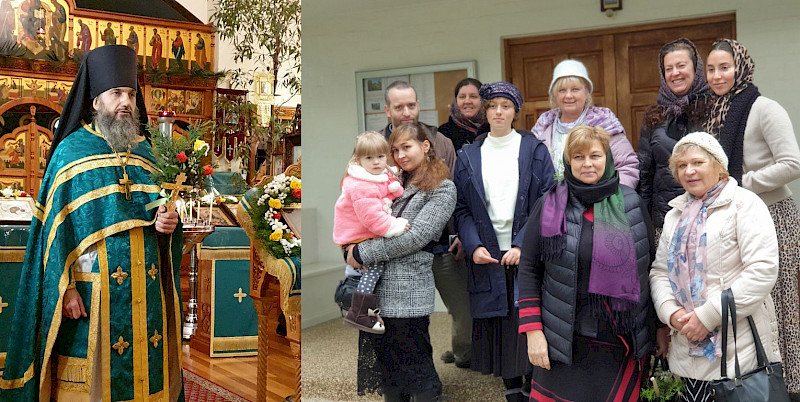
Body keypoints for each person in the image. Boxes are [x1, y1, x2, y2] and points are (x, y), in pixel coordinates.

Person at [0, 45, 184, 401]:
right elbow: (54, 233)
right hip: (94, 290)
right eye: (116, 93)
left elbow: (162, 211)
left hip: (145, 287)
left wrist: (167, 223)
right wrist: (65, 288)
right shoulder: (71, 151)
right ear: (96, 99)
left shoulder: (146, 152)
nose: (125, 102)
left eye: (130, 93)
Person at [517, 125, 655, 401]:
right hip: (564, 341)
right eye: (578, 157)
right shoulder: (550, 204)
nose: (587, 164)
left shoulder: (631, 203)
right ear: (568, 162)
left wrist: (658, 331)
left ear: (608, 158)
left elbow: (649, 268)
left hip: (618, 340)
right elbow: (529, 269)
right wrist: (533, 332)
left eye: (595, 155)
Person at [649, 132, 781, 400]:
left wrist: (707, 317)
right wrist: (671, 313)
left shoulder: (745, 205)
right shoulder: (675, 215)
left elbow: (762, 270)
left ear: (718, 166)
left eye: (698, 162)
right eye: (682, 166)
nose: (690, 171)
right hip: (685, 360)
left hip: (738, 361)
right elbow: (660, 272)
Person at [703, 38, 800, 396]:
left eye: (724, 67)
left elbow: (792, 163)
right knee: (752, 304)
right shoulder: (716, 111)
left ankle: (790, 384)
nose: (717, 75)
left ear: (741, 67)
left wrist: (743, 184)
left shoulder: (763, 107)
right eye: (711, 69)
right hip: (737, 219)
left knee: (779, 302)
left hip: (773, 216)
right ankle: (757, 382)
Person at [453, 82, 554, 401]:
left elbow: (547, 198)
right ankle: (512, 390)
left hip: (526, 251)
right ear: (485, 110)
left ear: (515, 111)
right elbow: (462, 207)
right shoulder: (468, 155)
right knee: (499, 323)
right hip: (487, 254)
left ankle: (533, 386)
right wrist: (473, 246)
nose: (499, 112)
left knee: (529, 316)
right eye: (493, 105)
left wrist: (524, 244)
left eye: (506, 106)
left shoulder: (534, 149)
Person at [347, 122, 456, 401]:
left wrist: (361, 253)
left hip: (408, 292)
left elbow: (415, 238)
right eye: (395, 150)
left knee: (418, 368)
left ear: (425, 146)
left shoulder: (443, 189)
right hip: (376, 292)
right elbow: (363, 221)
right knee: (389, 373)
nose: (400, 155)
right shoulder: (387, 183)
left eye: (406, 147)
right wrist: (349, 244)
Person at [380, 80, 473, 369]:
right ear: (387, 110)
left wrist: (460, 234)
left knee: (462, 309)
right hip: (396, 248)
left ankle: (463, 354)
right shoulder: (376, 146)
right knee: (406, 318)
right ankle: (413, 373)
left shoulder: (441, 141)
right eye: (399, 106)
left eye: (412, 104)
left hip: (442, 244)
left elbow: (459, 190)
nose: (407, 111)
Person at [333, 131, 408, 334]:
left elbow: (387, 190)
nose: (376, 162)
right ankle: (360, 312)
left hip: (362, 236)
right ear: (359, 159)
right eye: (369, 158)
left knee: (371, 270)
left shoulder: (375, 177)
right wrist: (396, 226)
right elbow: (372, 218)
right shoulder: (360, 185)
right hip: (357, 237)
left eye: (380, 157)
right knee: (374, 269)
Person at [638, 38, 710, 238]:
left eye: (681, 66)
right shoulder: (654, 115)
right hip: (666, 218)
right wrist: (645, 218)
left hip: (710, 216)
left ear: (696, 69)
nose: (675, 73)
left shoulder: (715, 108)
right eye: (668, 69)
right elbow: (645, 170)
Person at [531, 59, 638, 187]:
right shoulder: (542, 128)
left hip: (598, 202)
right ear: (554, 96)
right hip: (554, 204)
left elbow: (627, 167)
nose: (568, 95)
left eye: (575, 89)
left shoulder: (604, 123)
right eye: (562, 90)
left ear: (586, 93)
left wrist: (610, 197)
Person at [438, 78, 488, 151]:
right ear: (456, 101)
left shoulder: (493, 129)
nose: (467, 101)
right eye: (462, 97)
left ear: (483, 100)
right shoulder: (444, 132)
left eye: (473, 96)